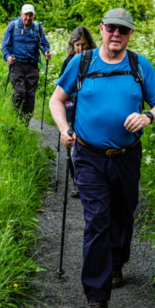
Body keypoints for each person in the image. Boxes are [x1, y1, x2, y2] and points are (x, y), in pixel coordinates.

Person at [49, 8, 155, 308]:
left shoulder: (139, 65)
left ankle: (117, 262)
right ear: (101, 29)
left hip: (127, 155)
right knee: (97, 221)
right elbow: (56, 100)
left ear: (130, 35)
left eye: (123, 30)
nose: (116, 34)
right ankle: (96, 298)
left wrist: (148, 116)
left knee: (122, 214)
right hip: (88, 156)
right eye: (111, 28)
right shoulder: (82, 62)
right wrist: (64, 130)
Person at [60, 26, 97, 199]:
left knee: (86, 142)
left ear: (89, 44)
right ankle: (76, 181)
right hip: (70, 105)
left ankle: (85, 180)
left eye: (83, 45)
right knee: (71, 140)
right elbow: (60, 89)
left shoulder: (96, 60)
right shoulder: (69, 62)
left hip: (88, 106)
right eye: (77, 45)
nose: (80, 49)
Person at [1, 4, 52, 125]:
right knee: (19, 92)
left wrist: (46, 52)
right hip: (17, 65)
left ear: (33, 16)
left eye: (30, 15)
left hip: (32, 66)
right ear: (21, 14)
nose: (28, 18)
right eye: (26, 15)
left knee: (30, 95)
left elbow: (44, 44)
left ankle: (25, 123)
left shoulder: (37, 28)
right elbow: (5, 46)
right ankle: (13, 117)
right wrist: (8, 57)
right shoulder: (13, 27)